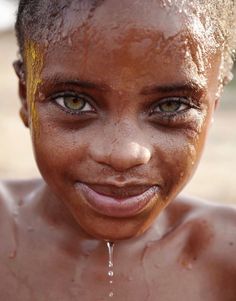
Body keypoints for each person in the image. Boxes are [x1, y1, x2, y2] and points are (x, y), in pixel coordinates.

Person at [0, 0, 236, 300]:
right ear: (25, 98)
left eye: (172, 105)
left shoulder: (227, 258)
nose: (123, 154)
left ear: (212, 107)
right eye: (74, 102)